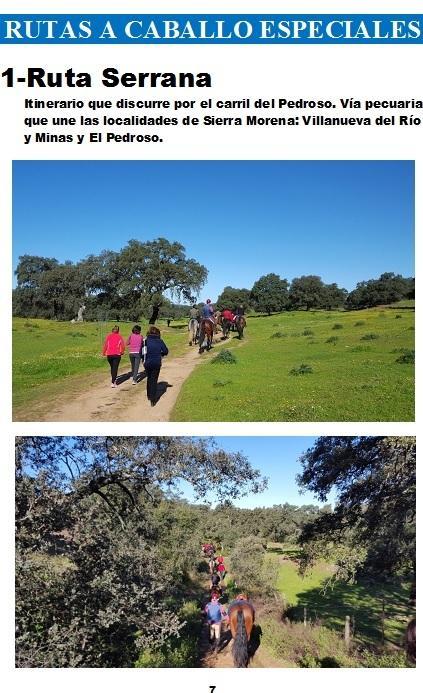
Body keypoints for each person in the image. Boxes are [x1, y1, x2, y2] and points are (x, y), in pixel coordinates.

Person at [142, 325, 169, 405]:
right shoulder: (160, 341)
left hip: (147, 363)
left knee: (149, 378)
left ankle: (149, 395)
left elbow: (142, 352)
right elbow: (165, 351)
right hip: (156, 362)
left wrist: (143, 360)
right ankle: (153, 399)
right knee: (154, 380)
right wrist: (160, 354)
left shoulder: (145, 341)